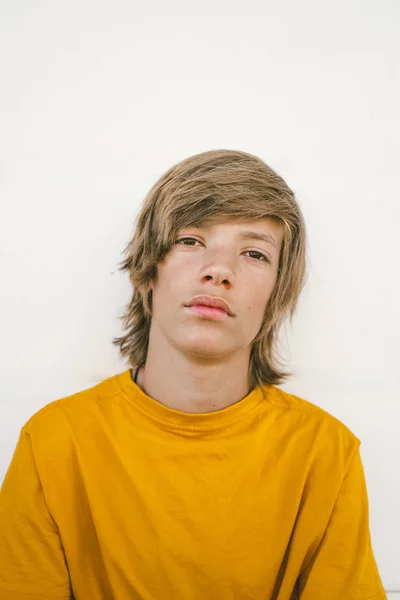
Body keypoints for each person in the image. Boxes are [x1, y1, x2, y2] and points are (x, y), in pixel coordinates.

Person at [0, 149, 386, 599]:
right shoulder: (53, 442)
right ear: (148, 270)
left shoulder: (326, 453)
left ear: (276, 296)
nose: (219, 271)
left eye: (254, 253)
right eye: (191, 241)